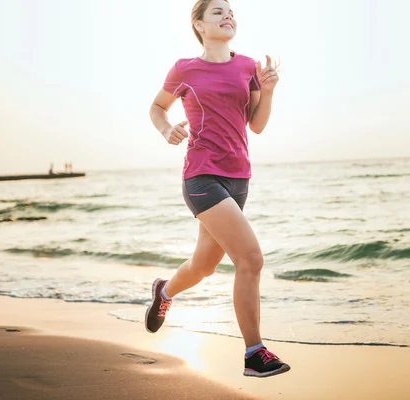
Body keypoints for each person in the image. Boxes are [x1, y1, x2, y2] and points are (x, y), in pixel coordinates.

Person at [145, 0, 289, 378]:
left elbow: (255, 125)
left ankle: (164, 292)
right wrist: (167, 129)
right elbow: (158, 107)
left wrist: (269, 91)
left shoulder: (247, 67)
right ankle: (254, 353)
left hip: (239, 178)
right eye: (217, 12)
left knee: (204, 266)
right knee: (250, 258)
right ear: (199, 25)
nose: (228, 16)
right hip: (201, 176)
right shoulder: (184, 69)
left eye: (231, 12)